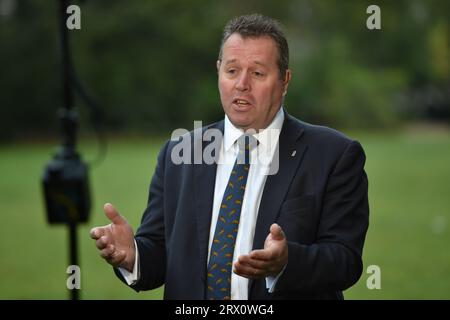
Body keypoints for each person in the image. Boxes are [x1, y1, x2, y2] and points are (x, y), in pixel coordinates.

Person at [90, 13, 369, 300]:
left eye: (258, 73)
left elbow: (345, 261)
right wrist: (131, 255)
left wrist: (287, 261)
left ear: (285, 81)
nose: (242, 84)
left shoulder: (333, 154)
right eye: (232, 71)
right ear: (219, 71)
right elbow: (161, 254)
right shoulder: (180, 153)